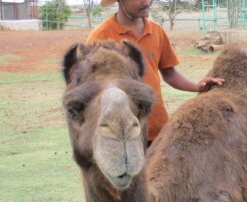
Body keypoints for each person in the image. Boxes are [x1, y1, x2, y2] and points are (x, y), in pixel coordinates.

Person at [87, 0, 224, 145]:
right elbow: (89, 86)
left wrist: (197, 86)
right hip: (120, 134)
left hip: (157, 130)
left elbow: (169, 73)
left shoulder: (156, 31)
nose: (146, 3)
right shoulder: (101, 36)